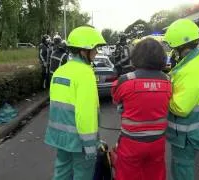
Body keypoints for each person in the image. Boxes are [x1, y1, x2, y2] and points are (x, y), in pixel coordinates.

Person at [44, 26, 106, 180]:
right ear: (83, 51)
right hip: (79, 141)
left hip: (60, 137)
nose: (97, 52)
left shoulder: (61, 71)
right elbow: (85, 114)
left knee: (62, 173)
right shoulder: (85, 74)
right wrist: (91, 146)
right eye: (95, 49)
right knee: (82, 175)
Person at [164, 19, 199, 180]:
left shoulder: (192, 70)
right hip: (196, 129)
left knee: (182, 169)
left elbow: (180, 108)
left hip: (188, 134)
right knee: (179, 166)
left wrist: (160, 96)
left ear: (181, 47)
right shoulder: (198, 60)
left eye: (173, 48)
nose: (172, 52)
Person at [111, 38, 172, 180]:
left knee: (127, 175)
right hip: (157, 142)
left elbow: (116, 101)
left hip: (131, 143)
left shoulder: (125, 80)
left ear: (136, 56)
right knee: (155, 175)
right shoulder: (168, 81)